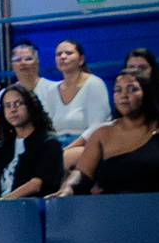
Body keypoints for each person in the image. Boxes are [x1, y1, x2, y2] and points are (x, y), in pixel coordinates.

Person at [57, 70, 159, 195]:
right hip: (113, 205)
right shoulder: (102, 133)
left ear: (147, 94)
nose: (124, 95)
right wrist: (68, 187)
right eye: (118, 90)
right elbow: (82, 174)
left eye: (132, 89)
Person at [39, 38, 111, 166]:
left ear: (81, 59)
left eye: (68, 53)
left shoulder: (95, 84)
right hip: (56, 144)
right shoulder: (51, 90)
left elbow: (96, 127)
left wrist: (66, 150)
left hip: (86, 145)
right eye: (59, 54)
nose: (63, 56)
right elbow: (46, 126)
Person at [0, 84, 64, 199]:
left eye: (18, 104)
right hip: (0, 205)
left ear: (31, 105)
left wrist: (3, 202)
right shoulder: (2, 147)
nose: (13, 110)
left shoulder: (48, 143)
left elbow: (35, 185)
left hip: (31, 205)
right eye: (8, 106)